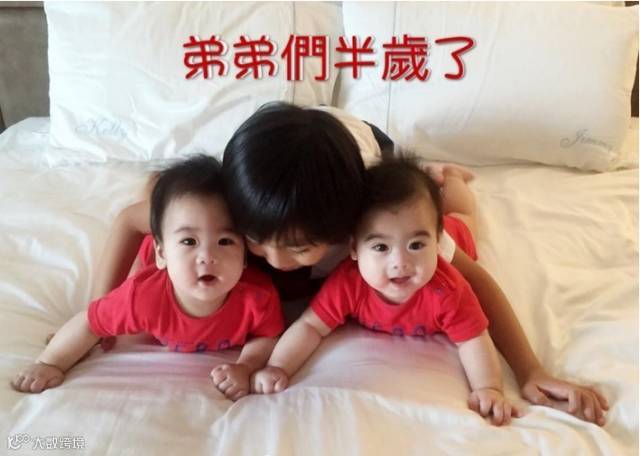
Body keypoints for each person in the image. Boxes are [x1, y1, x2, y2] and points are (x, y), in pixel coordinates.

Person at [88, 102, 608, 425]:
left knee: (433, 207)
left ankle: (443, 177)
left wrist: (530, 370)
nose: (276, 261)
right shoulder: (233, 201)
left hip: (364, 146)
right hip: (289, 151)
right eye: (256, 241)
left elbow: (474, 277)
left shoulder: (365, 218)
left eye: (300, 248)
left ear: (345, 237)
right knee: (162, 193)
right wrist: (98, 312)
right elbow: (129, 223)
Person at [251, 158, 520, 426]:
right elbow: (310, 326)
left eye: (416, 245)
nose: (400, 262)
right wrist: (278, 366)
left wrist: (488, 387)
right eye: (381, 248)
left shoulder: (447, 290)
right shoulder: (348, 284)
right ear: (354, 249)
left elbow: (473, 339)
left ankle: (452, 177)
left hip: (454, 232)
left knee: (461, 216)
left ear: (437, 242)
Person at [12, 155, 284, 401]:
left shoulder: (258, 298)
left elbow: (267, 335)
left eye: (225, 241)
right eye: (190, 241)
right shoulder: (140, 298)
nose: (207, 256)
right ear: (162, 253)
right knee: (154, 228)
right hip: (152, 260)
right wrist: (50, 363)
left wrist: (245, 366)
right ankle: (153, 187)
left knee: (178, 213)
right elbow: (89, 323)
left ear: (245, 257)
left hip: (169, 251)